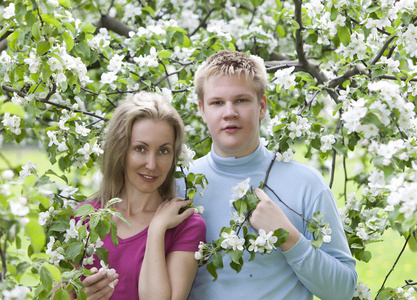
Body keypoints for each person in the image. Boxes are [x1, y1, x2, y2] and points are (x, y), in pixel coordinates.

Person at [182, 50, 357, 300]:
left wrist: (289, 238)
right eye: (217, 102)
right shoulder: (180, 184)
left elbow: (343, 290)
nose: (229, 112)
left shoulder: (306, 184)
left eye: (241, 100)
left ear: (262, 106)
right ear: (202, 109)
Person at [76, 92, 206, 300]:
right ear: (120, 151)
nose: (152, 165)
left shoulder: (186, 226)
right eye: (140, 148)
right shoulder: (83, 219)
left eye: (163, 151)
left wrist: (156, 230)